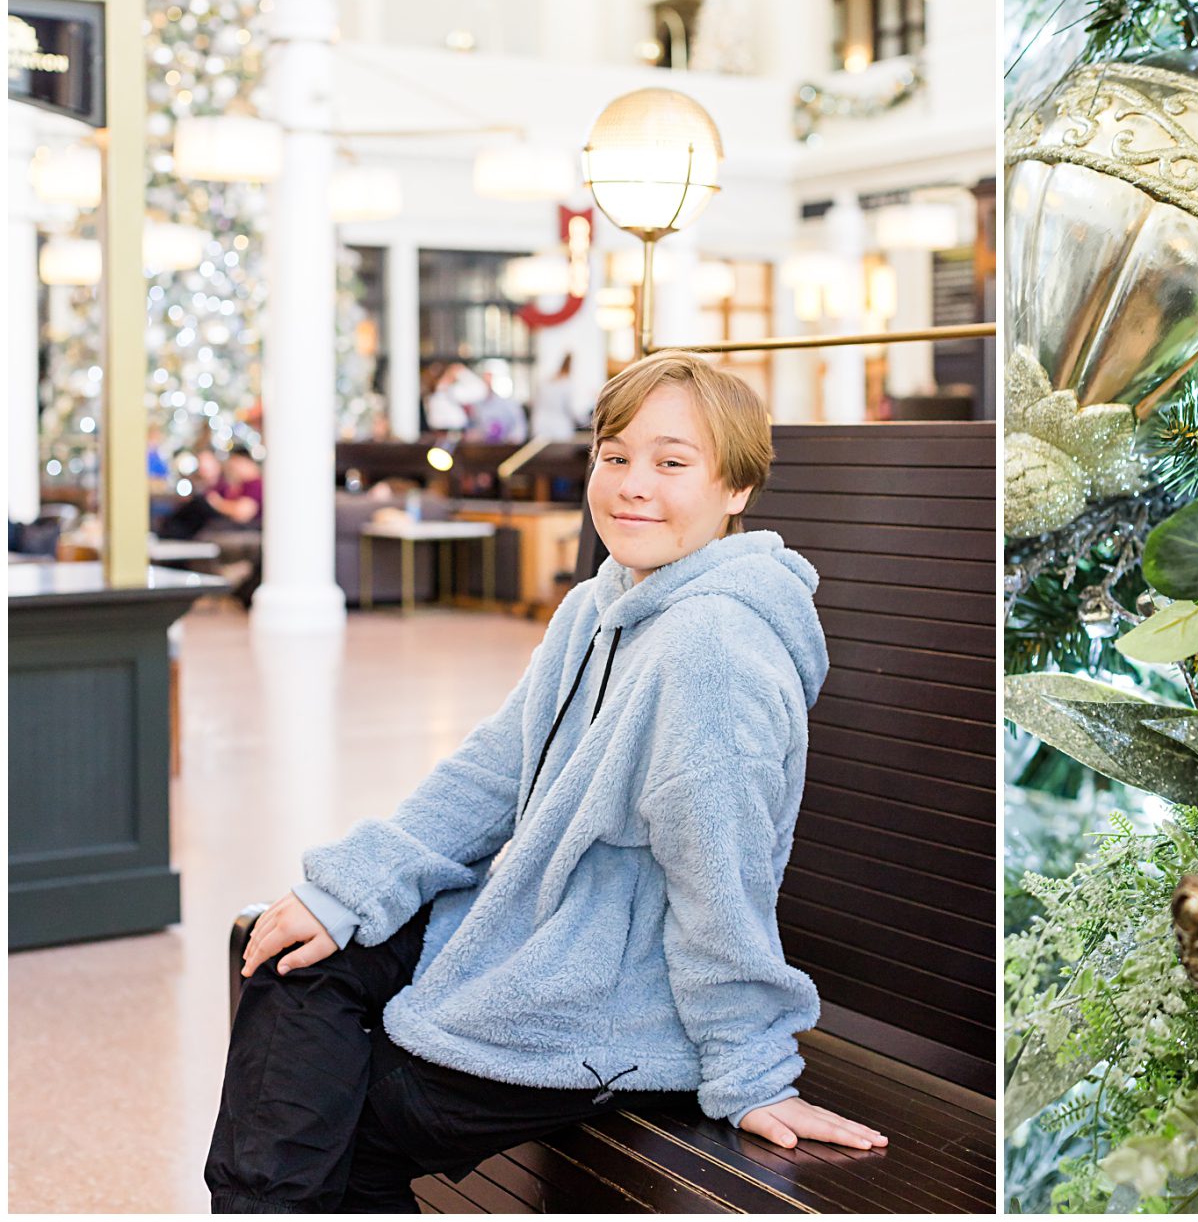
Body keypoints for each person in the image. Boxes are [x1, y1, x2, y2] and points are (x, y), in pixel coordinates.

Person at [205, 350, 885, 1212]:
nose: (632, 484)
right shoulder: (599, 603)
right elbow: (494, 770)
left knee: (336, 1130)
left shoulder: (712, 650)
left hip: (606, 1005)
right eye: (615, 455)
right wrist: (355, 884)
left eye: (672, 463)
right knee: (293, 955)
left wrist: (752, 1071)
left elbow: (725, 881)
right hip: (532, 934)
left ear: (736, 489)